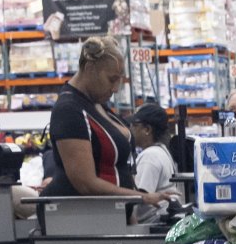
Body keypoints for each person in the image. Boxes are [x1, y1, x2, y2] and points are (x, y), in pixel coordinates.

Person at [42, 36, 166, 208]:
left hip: (110, 218)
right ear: (90, 68)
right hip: (79, 218)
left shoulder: (97, 104)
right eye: (112, 79)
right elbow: (85, 183)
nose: (115, 88)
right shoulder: (69, 110)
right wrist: (141, 197)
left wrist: (132, 215)